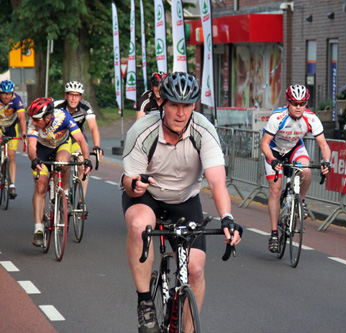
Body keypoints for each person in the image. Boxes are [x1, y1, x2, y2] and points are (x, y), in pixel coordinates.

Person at [121, 72, 243, 333]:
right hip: (147, 195)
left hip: (185, 199)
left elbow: (217, 182)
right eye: (174, 104)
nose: (180, 112)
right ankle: (145, 302)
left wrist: (227, 218)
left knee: (196, 268)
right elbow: (128, 182)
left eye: (187, 105)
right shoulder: (142, 131)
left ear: (194, 106)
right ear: (162, 103)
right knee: (140, 225)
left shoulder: (204, 131)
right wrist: (136, 184)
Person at [260, 84, 331, 253]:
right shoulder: (277, 117)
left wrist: (326, 162)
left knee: (306, 171)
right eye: (295, 103)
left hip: (294, 148)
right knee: (275, 192)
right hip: (274, 150)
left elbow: (323, 144)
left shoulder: (311, 118)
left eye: (302, 103)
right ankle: (274, 234)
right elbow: (264, 143)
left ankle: (302, 201)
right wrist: (272, 160)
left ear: (306, 104)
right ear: (288, 103)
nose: (298, 107)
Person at [27, 97, 92, 247]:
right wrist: (34, 159)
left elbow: (81, 139)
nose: (34, 122)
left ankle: (66, 194)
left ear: (48, 117)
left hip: (61, 144)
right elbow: (31, 146)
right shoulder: (33, 124)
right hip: (42, 149)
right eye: (33, 119)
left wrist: (87, 159)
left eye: (37, 119)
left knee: (63, 163)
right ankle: (38, 229)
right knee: (40, 186)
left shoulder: (63, 117)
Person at [54, 81, 103, 196]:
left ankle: (81, 201)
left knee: (83, 164)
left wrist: (96, 146)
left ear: (80, 97)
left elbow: (93, 128)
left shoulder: (85, 106)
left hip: (78, 139)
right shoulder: (57, 106)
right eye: (71, 95)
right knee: (63, 165)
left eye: (76, 95)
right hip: (61, 139)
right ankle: (64, 191)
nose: (73, 99)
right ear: (66, 96)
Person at [0, 80, 27, 199]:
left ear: (12, 93)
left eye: (9, 93)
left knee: (11, 156)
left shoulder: (17, 100)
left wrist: (24, 133)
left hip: (11, 127)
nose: (6, 96)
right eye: (3, 94)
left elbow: (22, 118)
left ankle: (12, 184)